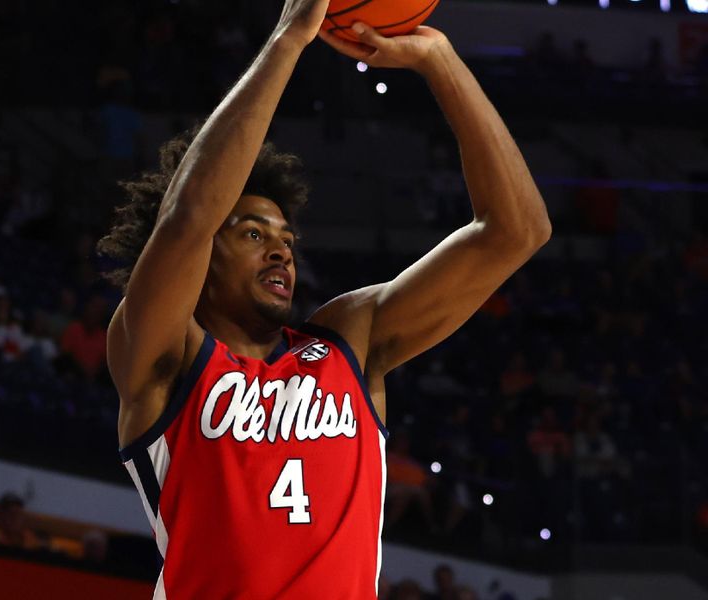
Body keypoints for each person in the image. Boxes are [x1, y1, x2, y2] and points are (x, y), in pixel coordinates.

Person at [97, 1, 551, 597]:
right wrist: (288, 41)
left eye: (287, 240)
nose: (281, 251)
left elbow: (517, 232)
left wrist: (441, 61)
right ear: (206, 257)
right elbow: (187, 220)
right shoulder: (165, 357)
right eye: (254, 234)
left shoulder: (347, 340)